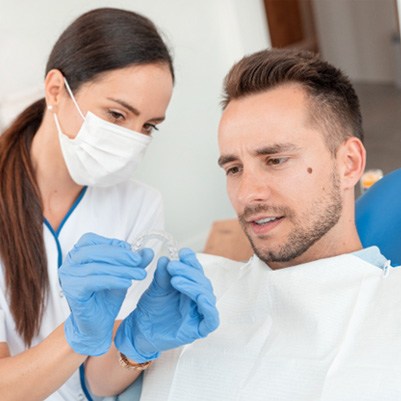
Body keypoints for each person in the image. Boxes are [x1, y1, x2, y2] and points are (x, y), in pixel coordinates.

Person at [128, 49, 401, 400]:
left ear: (349, 164)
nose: (248, 194)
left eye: (275, 160)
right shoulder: (198, 293)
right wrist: (131, 346)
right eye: (234, 169)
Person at [0, 7, 215, 401]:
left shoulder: (139, 205)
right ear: (56, 91)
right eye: (116, 114)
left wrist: (138, 343)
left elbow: (98, 384)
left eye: (148, 125)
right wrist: (76, 336)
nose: (132, 139)